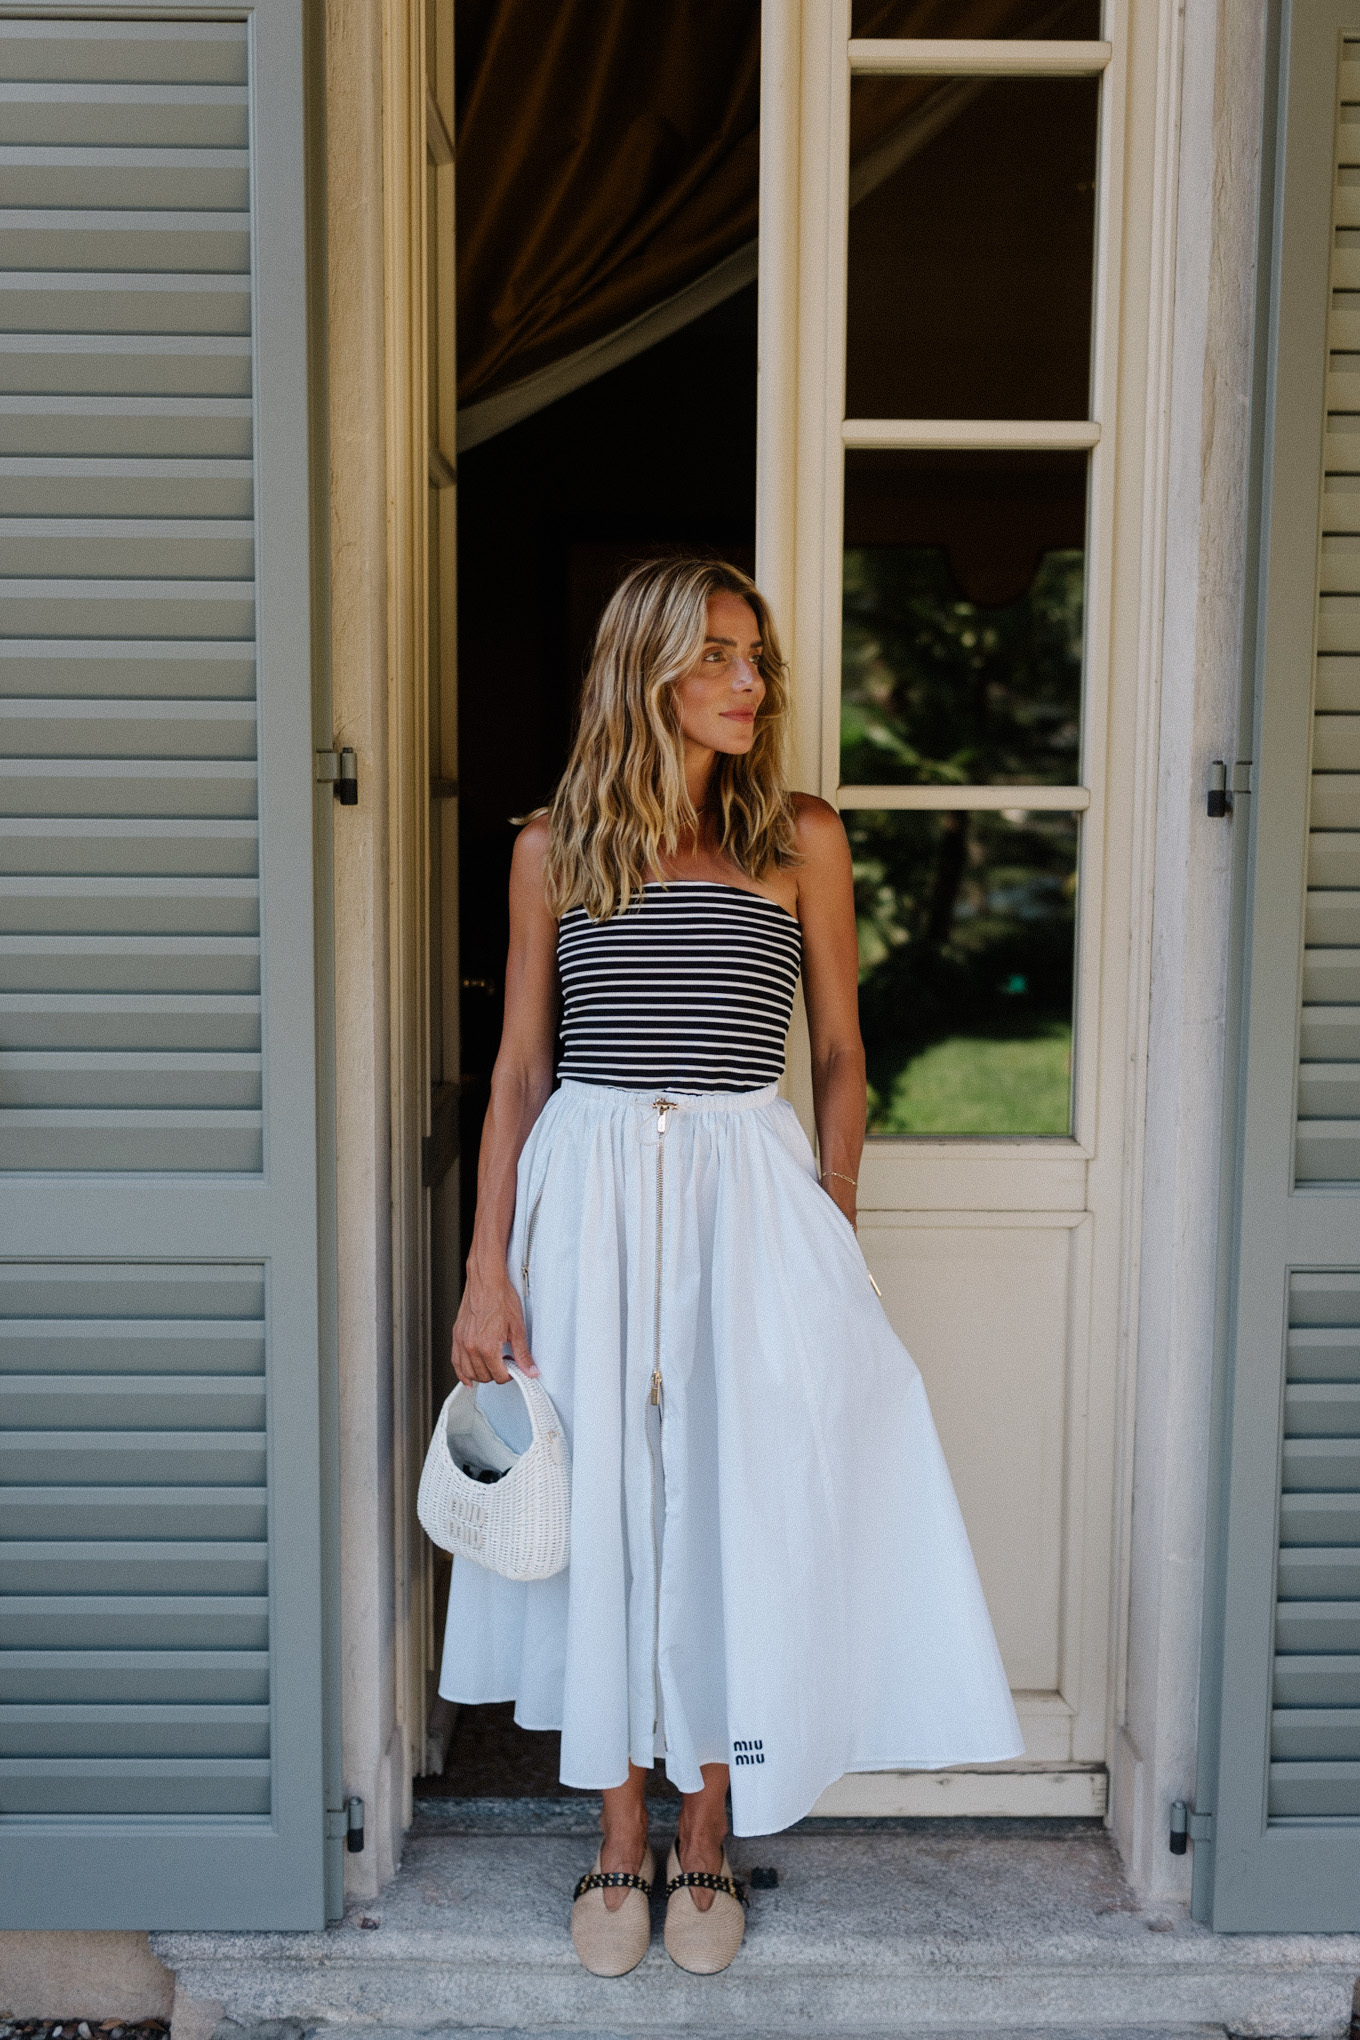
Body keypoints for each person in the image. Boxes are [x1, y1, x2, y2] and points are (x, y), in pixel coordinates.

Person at [438, 556, 1022, 1977]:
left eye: (755, 657)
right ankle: (618, 1833)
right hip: (584, 1197)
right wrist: (485, 1270)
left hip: (751, 1198)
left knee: (723, 1499)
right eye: (718, 657)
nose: (753, 682)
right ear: (648, 672)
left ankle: (711, 1824)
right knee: (613, 1501)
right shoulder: (550, 850)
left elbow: (838, 1057)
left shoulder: (799, 839)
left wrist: (829, 1223)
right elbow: (520, 1072)